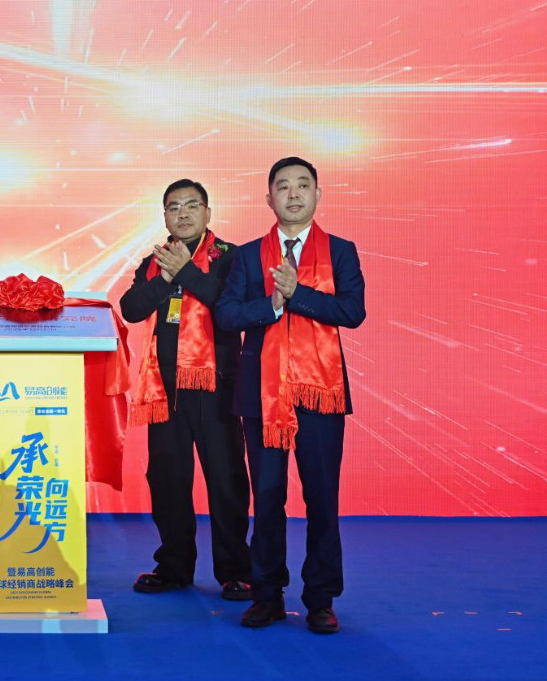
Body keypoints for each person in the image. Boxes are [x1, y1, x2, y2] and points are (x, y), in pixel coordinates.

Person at [215, 157, 366, 634]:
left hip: (320, 395)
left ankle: (321, 598)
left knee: (322, 498)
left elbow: (352, 311)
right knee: (267, 498)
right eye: (283, 186)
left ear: (318, 195)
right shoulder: (246, 256)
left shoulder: (341, 251)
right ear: (269, 198)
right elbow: (227, 315)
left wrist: (297, 294)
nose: (294, 194)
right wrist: (272, 304)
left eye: (303, 185)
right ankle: (266, 594)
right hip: (261, 396)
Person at [119, 179, 252, 600]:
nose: (183, 214)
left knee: (226, 480)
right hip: (164, 390)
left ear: (208, 213)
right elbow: (130, 308)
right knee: (168, 479)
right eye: (174, 207)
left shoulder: (231, 258)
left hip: (216, 387)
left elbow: (230, 310)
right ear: (165, 217)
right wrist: (166, 277)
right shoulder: (154, 261)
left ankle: (235, 570)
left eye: (192, 205)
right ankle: (174, 566)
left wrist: (186, 273)